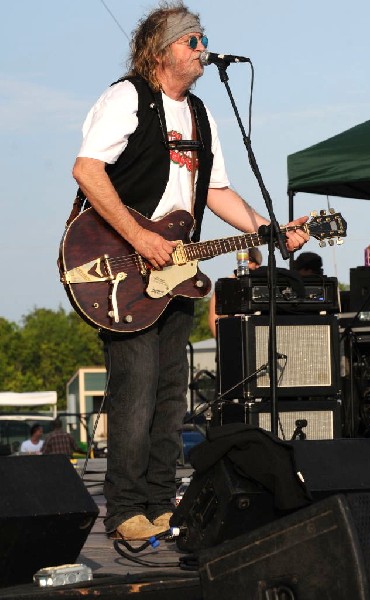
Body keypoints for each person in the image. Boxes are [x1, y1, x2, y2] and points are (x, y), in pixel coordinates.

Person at [71, 1, 309, 542]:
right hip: (122, 263)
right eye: (193, 41)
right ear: (161, 50)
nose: (203, 50)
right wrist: (139, 236)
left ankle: (159, 501)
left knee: (171, 390)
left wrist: (269, 229)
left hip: (176, 268)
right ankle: (124, 506)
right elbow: (87, 169)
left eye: (203, 40)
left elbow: (216, 191)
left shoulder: (201, 113)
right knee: (135, 387)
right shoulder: (127, 97)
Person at [208, 247, 263, 337]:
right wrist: (220, 343)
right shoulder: (225, 284)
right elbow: (213, 317)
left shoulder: (261, 285)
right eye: (246, 260)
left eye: (251, 261)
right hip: (232, 336)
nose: (247, 264)